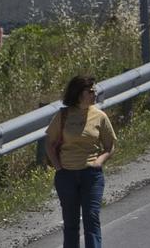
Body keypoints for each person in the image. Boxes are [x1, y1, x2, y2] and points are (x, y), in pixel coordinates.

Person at [46, 75, 116, 248]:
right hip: (66, 175)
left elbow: (110, 146)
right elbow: (48, 143)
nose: (94, 94)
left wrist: (99, 161)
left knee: (92, 219)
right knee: (70, 224)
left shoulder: (100, 116)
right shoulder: (63, 115)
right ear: (78, 93)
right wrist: (58, 167)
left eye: (95, 91)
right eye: (90, 91)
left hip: (91, 175)